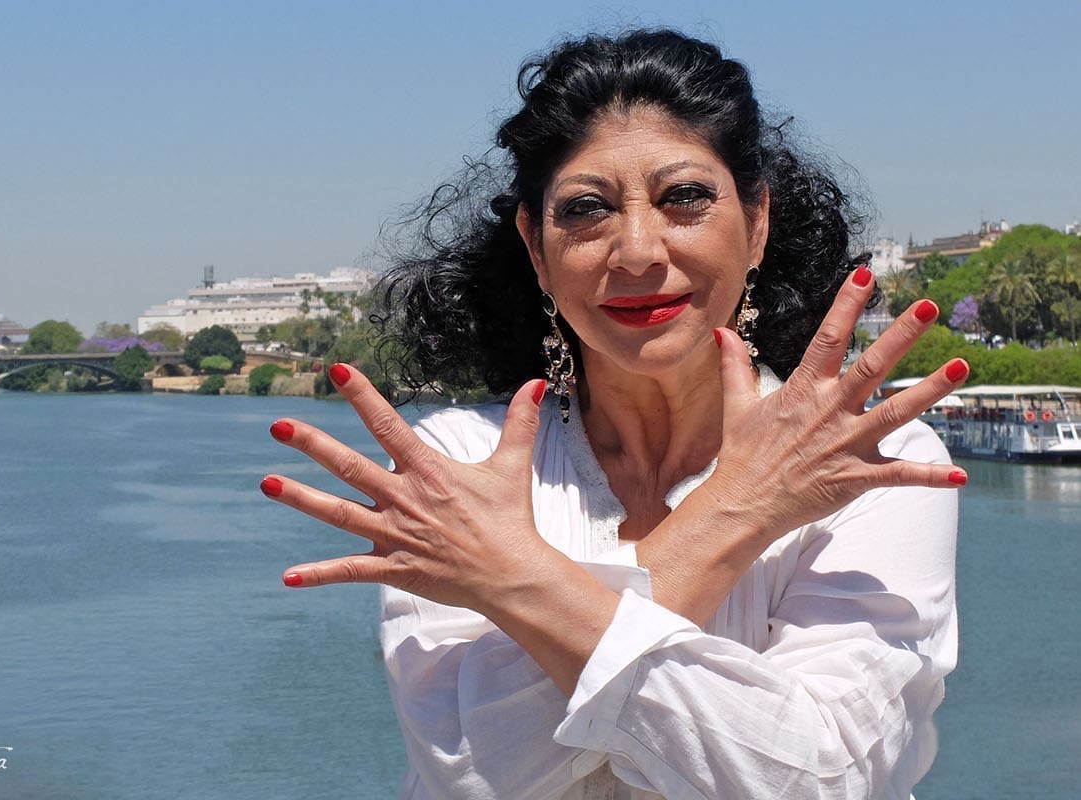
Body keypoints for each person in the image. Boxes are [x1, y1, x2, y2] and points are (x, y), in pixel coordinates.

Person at [260, 29, 961, 799]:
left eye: (684, 198)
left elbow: (819, 777)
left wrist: (516, 582)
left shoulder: (860, 458)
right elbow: (474, 773)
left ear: (757, 219)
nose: (636, 250)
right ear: (535, 246)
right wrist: (742, 510)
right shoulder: (464, 457)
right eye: (587, 210)